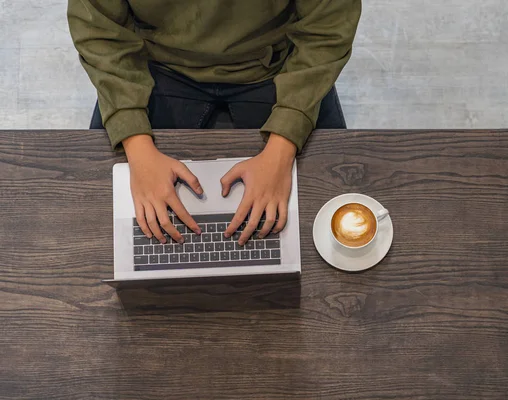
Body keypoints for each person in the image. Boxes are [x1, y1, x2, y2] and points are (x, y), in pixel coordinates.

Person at [67, 0, 361, 246]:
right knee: (98, 236)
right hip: (156, 65)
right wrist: (135, 142)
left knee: (336, 231)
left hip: (275, 65)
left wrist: (283, 144)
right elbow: (99, 29)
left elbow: (328, 26)